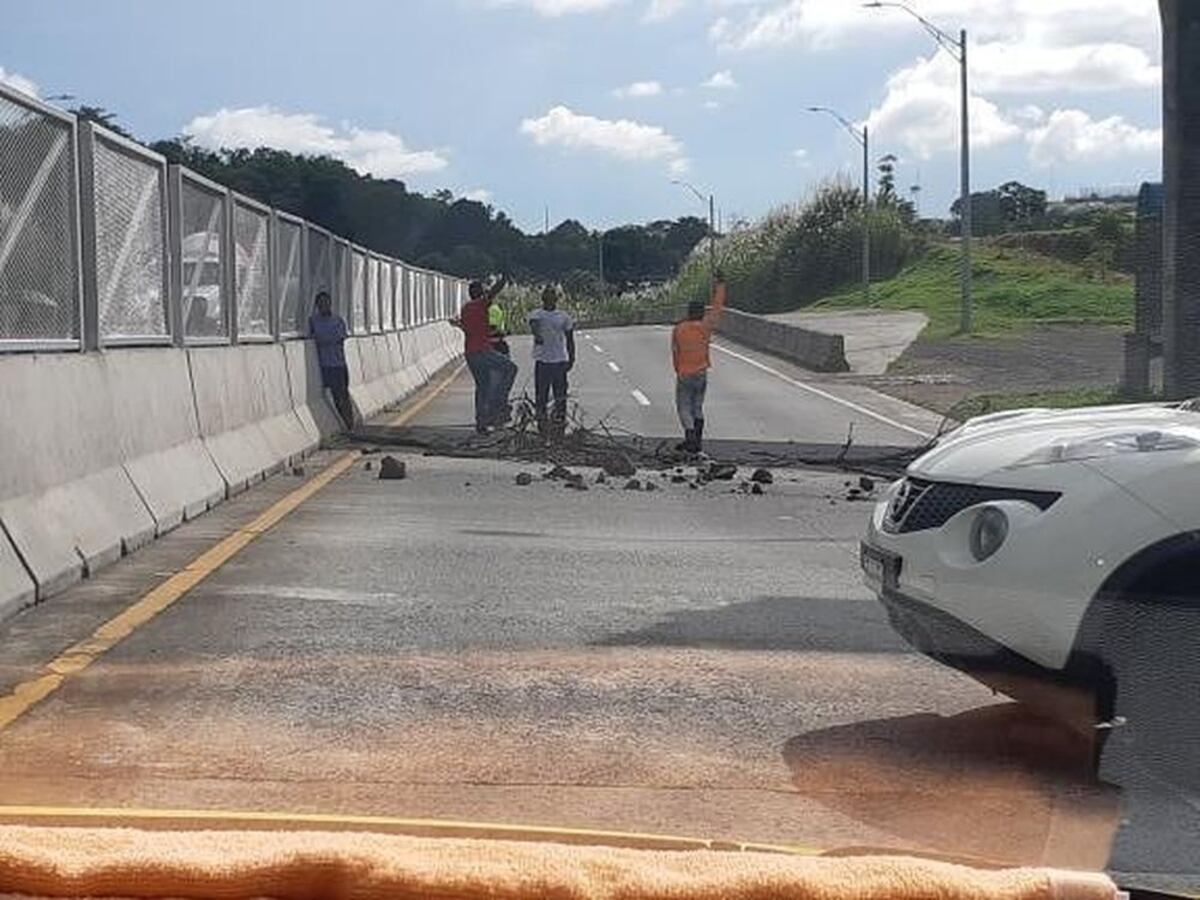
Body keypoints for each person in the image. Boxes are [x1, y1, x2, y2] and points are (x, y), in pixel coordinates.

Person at [451, 275, 517, 433]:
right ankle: (498, 401)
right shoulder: (481, 305)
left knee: (482, 386)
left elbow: (474, 329)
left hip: (470, 354)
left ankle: (481, 423)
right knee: (511, 368)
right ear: (480, 293)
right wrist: (504, 278)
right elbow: (494, 291)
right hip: (482, 351)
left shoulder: (466, 309)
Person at [671, 273, 727, 453]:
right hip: (702, 373)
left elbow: (675, 351)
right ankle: (698, 441)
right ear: (702, 313)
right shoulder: (705, 327)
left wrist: (678, 369)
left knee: (683, 407)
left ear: (688, 313)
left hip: (685, 374)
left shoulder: (679, 329)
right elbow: (718, 308)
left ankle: (690, 437)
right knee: (697, 406)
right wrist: (720, 286)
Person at [528, 285, 575, 435]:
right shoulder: (537, 314)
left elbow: (569, 339)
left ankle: (559, 426)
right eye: (547, 297)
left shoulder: (563, 317)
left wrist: (571, 358)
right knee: (541, 396)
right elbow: (534, 325)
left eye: (552, 297)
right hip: (542, 361)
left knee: (560, 397)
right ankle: (542, 426)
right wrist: (538, 336)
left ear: (556, 299)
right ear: (543, 299)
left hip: (559, 361)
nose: (550, 300)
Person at [309, 291, 354, 430]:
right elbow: (311, 337)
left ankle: (349, 424)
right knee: (334, 397)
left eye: (327, 302)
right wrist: (324, 339)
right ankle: (344, 425)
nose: (325, 306)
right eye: (321, 303)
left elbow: (339, 339)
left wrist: (322, 339)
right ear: (317, 305)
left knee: (343, 396)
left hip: (339, 364)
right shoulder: (313, 321)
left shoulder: (338, 320)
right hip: (325, 365)